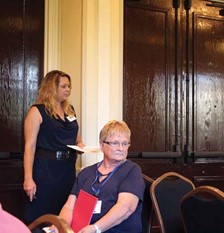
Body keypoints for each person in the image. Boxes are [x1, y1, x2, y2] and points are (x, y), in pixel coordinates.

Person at [58, 120, 145, 233]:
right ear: (102, 145)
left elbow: (126, 207)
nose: (121, 148)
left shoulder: (131, 170)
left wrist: (95, 228)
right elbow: (69, 207)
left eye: (125, 143)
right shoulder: (86, 173)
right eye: (115, 143)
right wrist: (60, 226)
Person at [23, 70, 85, 224]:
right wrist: (28, 178)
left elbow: (76, 137)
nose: (68, 90)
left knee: (65, 213)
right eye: (64, 86)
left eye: (69, 86)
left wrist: (81, 145)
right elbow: (29, 147)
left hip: (67, 170)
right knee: (42, 214)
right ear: (51, 88)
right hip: (45, 170)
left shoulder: (70, 110)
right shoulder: (37, 111)